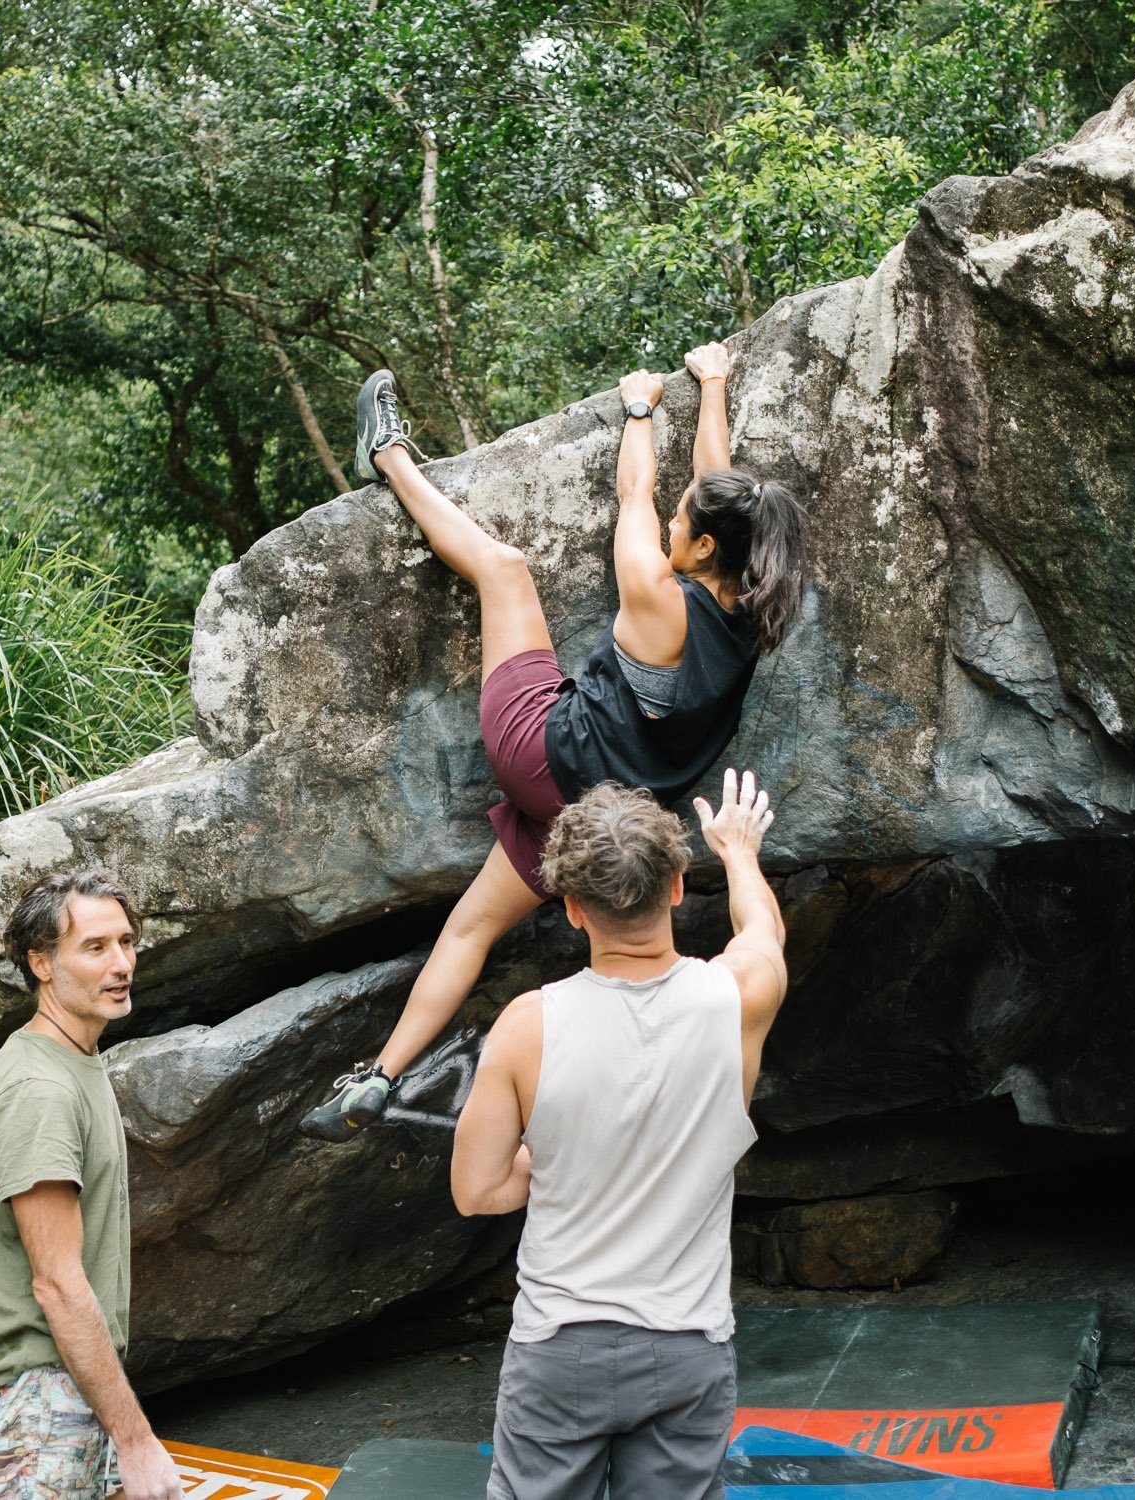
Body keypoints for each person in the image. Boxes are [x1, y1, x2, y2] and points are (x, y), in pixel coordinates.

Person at [300, 342, 807, 1140]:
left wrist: (638, 408)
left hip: (541, 753)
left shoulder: (654, 594)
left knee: (504, 570)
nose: (676, 520)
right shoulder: (757, 608)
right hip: (603, 820)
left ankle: (387, 456)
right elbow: (715, 483)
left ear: (704, 547)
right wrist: (713, 386)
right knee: (470, 925)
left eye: (688, 523)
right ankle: (375, 1076)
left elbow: (636, 491)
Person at [451, 769, 787, 1500]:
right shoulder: (736, 1000)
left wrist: (548, 1160)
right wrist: (736, 850)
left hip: (559, 1349)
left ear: (572, 908)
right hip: (686, 1349)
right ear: (674, 887)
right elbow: (763, 933)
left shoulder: (526, 1028)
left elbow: (477, 1191)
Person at [0, 871, 185, 1500]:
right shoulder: (40, 1092)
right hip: (37, 1392)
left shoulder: (72, 1059)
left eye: (127, 942)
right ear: (41, 964)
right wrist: (136, 1441)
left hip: (72, 1377)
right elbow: (56, 1281)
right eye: (96, 948)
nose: (122, 964)